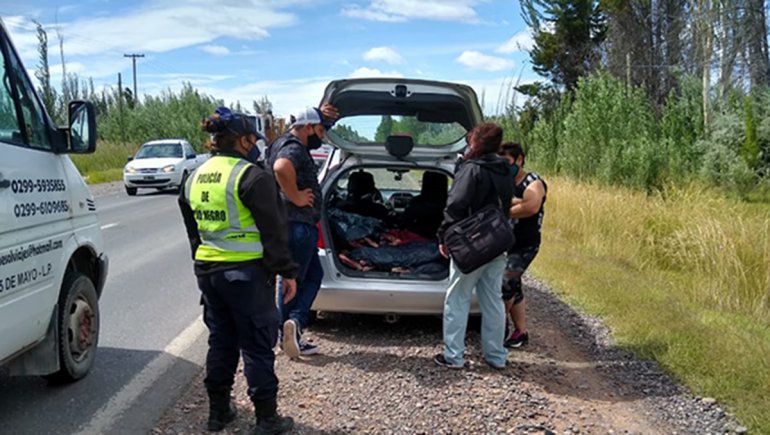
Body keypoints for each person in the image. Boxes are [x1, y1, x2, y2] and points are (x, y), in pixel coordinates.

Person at [179, 107, 298, 434]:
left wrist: (204, 260)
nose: (255, 144)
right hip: (246, 276)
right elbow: (274, 232)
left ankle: (218, 413)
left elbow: (194, 232)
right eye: (253, 139)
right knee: (258, 344)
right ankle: (266, 419)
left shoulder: (194, 176)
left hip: (209, 273)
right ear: (243, 140)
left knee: (221, 340)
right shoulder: (252, 177)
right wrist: (287, 273)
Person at [434, 123, 513, 370]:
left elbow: (455, 205)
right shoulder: (506, 170)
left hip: (471, 245)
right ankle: (496, 356)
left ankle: (454, 357)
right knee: (493, 301)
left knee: (458, 299)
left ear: (476, 142)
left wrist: (443, 236)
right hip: (498, 242)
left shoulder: (471, 169)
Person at [267, 104, 339, 359]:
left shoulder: (280, 142)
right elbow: (281, 168)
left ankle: (291, 329)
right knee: (293, 282)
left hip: (287, 225)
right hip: (297, 226)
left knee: (303, 276)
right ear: (307, 128)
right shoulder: (294, 148)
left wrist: (325, 114)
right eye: (319, 130)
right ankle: (290, 328)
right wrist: (296, 196)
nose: (321, 136)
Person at [499, 142, 547, 348]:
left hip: (525, 245)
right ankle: (521, 333)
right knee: (515, 287)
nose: (505, 167)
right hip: (506, 244)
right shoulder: (505, 181)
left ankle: (498, 331)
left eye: (508, 162)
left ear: (519, 159)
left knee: (505, 284)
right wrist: (514, 202)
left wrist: (505, 208)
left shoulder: (533, 182)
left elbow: (531, 206)